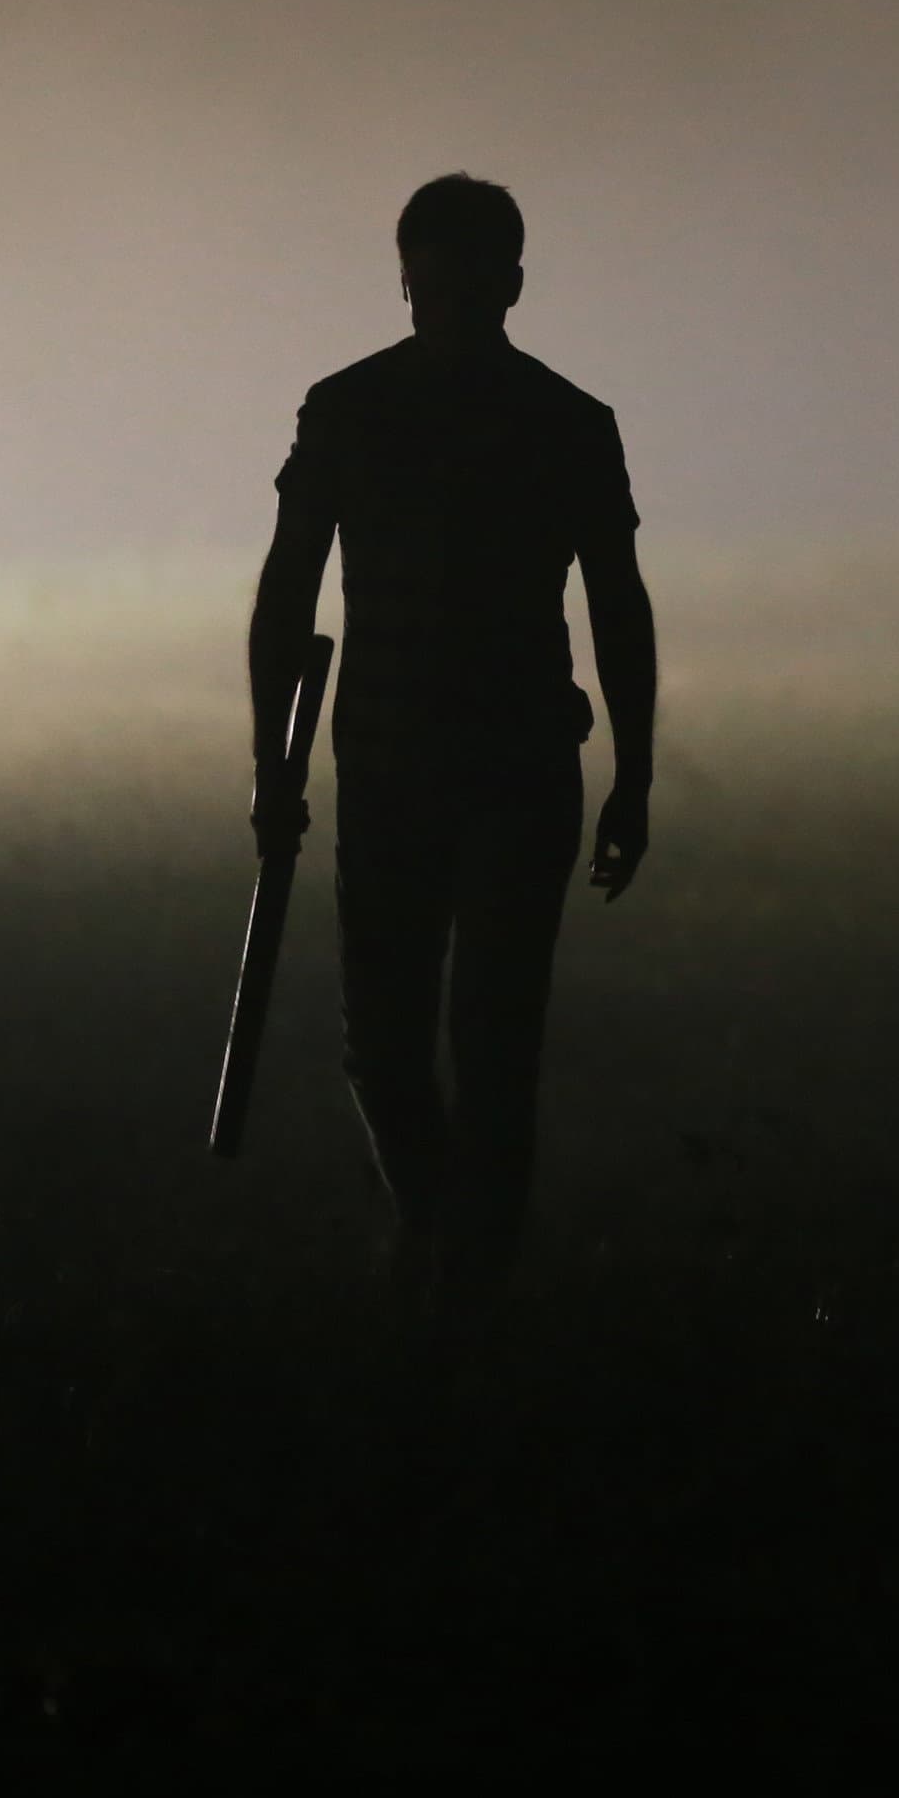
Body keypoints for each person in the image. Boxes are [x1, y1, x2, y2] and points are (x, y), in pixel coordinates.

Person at [246, 172, 659, 1326]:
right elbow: (287, 591)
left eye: (471, 286)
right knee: (387, 1050)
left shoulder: (567, 425)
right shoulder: (350, 411)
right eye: (438, 286)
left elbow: (618, 604)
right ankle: (448, 1240)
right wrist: (272, 767)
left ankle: (464, 1281)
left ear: (511, 286)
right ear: (408, 283)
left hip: (513, 770)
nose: (453, 307)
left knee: (491, 1041)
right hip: (392, 767)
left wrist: (635, 772)